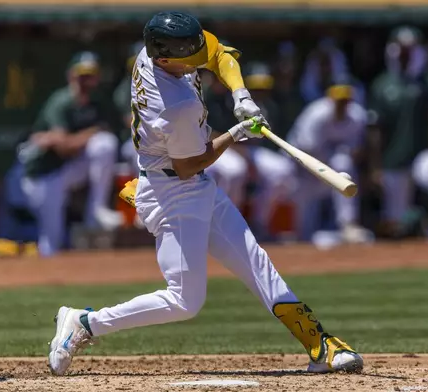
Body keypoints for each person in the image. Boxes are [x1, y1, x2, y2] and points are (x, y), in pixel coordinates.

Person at [47, 11, 363, 376]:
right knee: (184, 301)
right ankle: (85, 323)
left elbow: (218, 54)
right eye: (189, 56)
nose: (198, 60)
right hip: (174, 192)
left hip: (185, 183)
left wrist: (240, 93)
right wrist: (236, 133)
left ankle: (319, 344)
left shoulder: (154, 53)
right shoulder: (177, 105)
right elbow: (189, 164)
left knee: (255, 262)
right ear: (165, 58)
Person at [18, 51, 123, 257]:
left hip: (67, 169)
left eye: (90, 75)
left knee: (105, 145)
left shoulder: (98, 102)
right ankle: (45, 276)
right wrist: (91, 132)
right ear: (71, 76)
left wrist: (82, 138)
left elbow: (106, 135)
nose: (85, 81)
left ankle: (96, 211)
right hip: (42, 175)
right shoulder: (61, 101)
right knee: (51, 240)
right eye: (81, 75)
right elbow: (63, 146)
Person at [370, 26, 428, 243]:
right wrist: (375, 167)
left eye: (409, 50)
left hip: (423, 156)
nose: (405, 54)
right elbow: (375, 129)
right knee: (395, 218)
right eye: (401, 50)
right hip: (393, 158)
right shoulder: (383, 85)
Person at [205, 62, 296, 240]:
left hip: (245, 149)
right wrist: (243, 154)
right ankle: (226, 225)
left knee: (282, 170)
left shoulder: (265, 105)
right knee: (235, 170)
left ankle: (258, 223)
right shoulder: (210, 97)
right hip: (218, 148)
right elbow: (209, 133)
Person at [287, 78, 373, 245]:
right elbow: (306, 151)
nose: (342, 105)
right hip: (300, 165)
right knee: (305, 223)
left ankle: (348, 225)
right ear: (330, 100)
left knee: (344, 166)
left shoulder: (357, 116)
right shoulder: (315, 115)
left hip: (328, 164)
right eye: (339, 101)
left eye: (345, 101)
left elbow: (356, 151)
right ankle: (299, 240)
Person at [114, 42, 145, 174]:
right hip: (132, 140)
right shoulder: (124, 89)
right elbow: (131, 122)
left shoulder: (162, 86)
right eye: (137, 64)